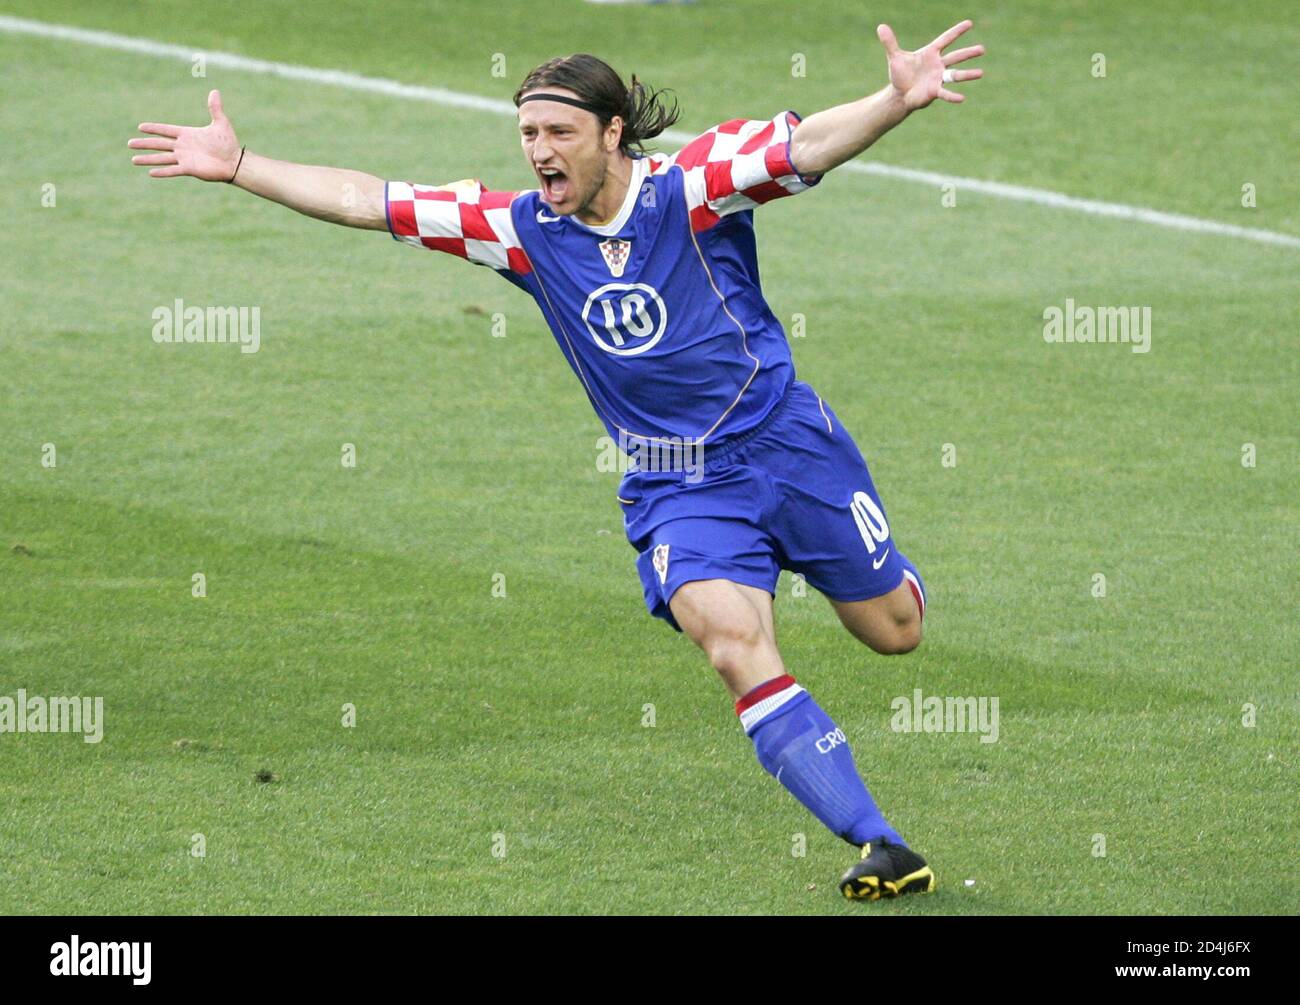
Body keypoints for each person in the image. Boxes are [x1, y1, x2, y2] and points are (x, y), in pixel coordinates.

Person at [129, 19, 984, 901]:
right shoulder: (520, 229)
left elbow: (806, 145)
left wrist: (893, 99)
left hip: (787, 447)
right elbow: (367, 199)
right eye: (529, 134)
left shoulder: (695, 186)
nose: (540, 152)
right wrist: (240, 166)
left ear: (613, 132)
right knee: (733, 646)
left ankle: (883, 577)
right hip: (676, 483)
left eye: (559, 133)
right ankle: (882, 842)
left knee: (894, 632)